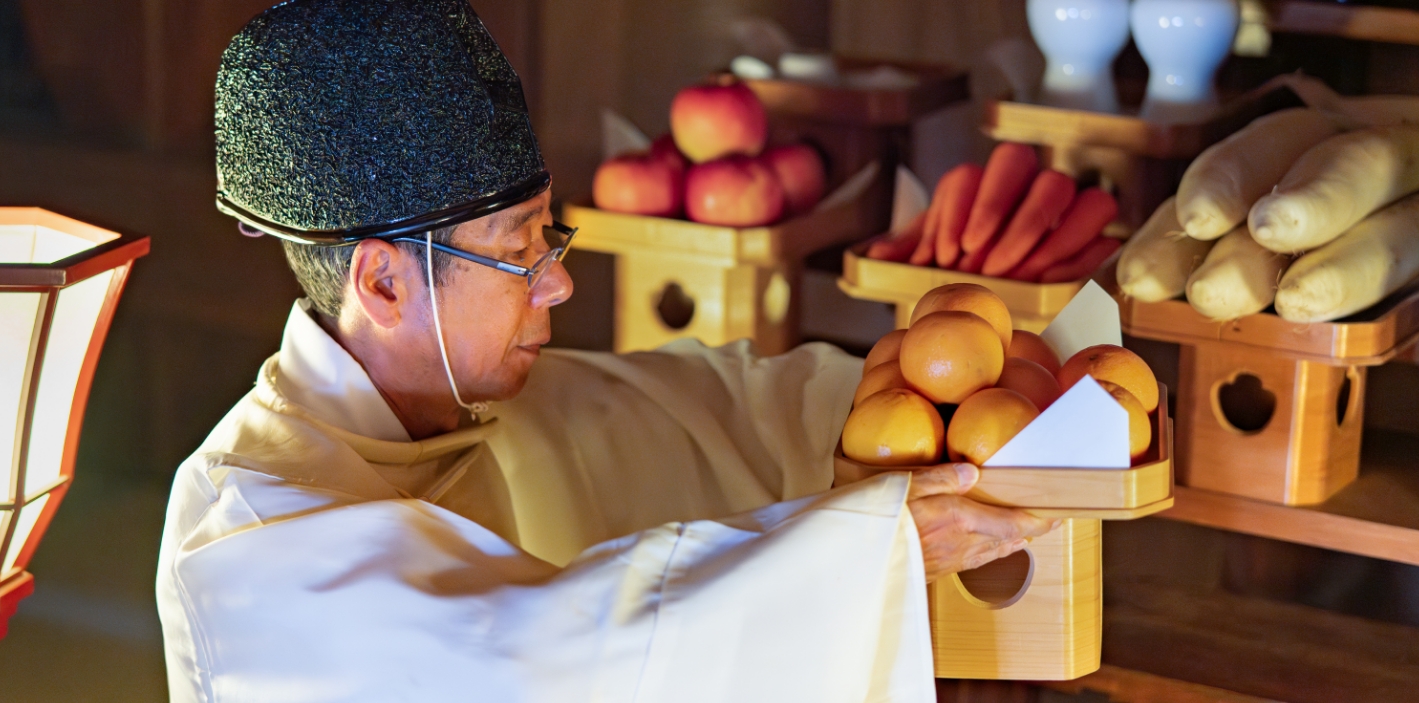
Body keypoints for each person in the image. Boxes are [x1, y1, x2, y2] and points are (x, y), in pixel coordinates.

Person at [154, 1, 1054, 701]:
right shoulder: (251, 537)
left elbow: (705, 410)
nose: (557, 282)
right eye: (516, 253)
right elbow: (547, 660)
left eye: (551, 238)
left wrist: (907, 401)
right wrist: (871, 550)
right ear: (385, 285)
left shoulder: (467, 399)